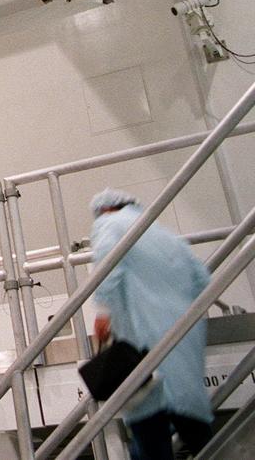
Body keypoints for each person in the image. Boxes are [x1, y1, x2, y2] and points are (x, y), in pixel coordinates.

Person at [89, 188, 213, 460]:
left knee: (147, 421)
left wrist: (102, 312)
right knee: (189, 419)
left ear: (106, 209)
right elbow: (203, 280)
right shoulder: (163, 233)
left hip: (142, 336)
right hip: (183, 334)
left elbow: (107, 265)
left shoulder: (109, 224)